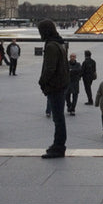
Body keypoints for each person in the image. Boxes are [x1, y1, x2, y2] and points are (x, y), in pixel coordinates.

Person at [37, 19, 69, 158]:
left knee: (58, 119)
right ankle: (58, 144)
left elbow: (50, 68)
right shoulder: (59, 44)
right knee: (59, 118)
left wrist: (42, 81)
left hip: (55, 85)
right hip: (61, 84)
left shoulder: (51, 46)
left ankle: (59, 147)